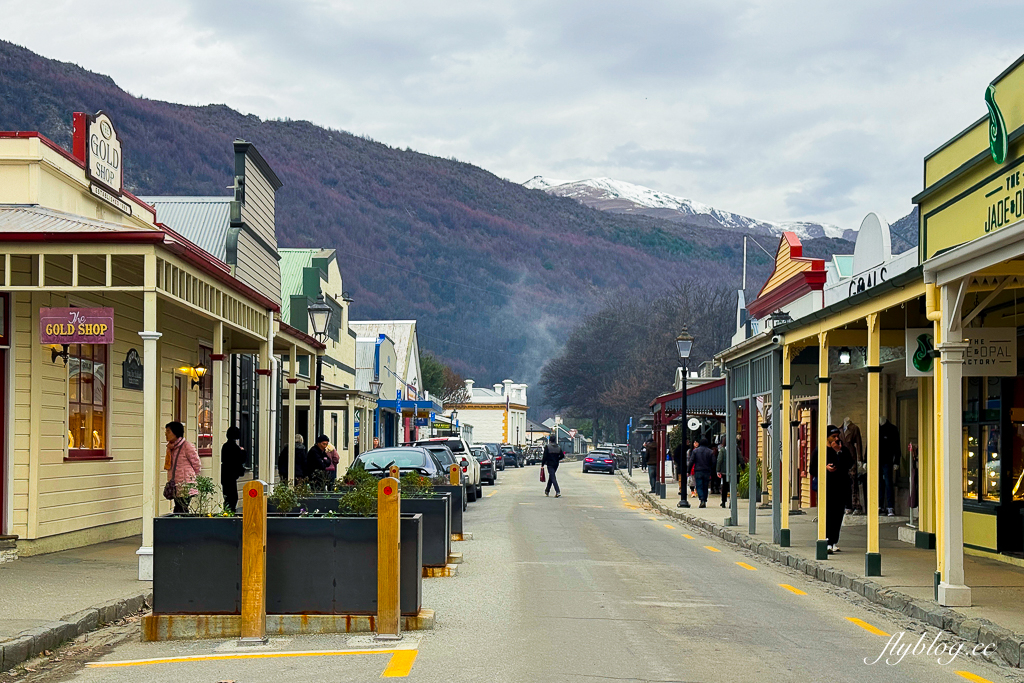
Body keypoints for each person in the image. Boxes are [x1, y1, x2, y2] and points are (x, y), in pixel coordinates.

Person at [823, 425, 853, 553]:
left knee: (838, 516)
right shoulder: (821, 451)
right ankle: (827, 540)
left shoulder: (843, 450)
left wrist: (839, 452)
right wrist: (825, 467)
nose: (836, 439)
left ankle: (834, 541)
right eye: (833, 436)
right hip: (828, 488)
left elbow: (849, 464)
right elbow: (813, 468)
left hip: (841, 487)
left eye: (837, 436)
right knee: (829, 515)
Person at [164, 421, 201, 514]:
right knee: (179, 508)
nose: (166, 434)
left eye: (168, 431)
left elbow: (196, 464)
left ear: (175, 432)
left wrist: (191, 478)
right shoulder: (170, 448)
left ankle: (182, 527)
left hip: (185, 485)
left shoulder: (187, 446)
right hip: (175, 484)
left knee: (181, 508)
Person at [220, 426, 245, 512]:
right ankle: (230, 513)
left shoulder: (225, 446)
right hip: (231, 475)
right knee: (233, 497)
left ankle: (227, 511)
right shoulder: (235, 448)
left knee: (227, 496)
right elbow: (241, 459)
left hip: (225, 474)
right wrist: (243, 452)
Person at [687, 438, 716, 508]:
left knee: (699, 485)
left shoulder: (695, 451)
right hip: (707, 470)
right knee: (705, 486)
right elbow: (714, 462)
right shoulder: (710, 452)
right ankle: (705, 499)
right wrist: (711, 469)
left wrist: (688, 471)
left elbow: (691, 461)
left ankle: (701, 499)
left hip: (698, 470)